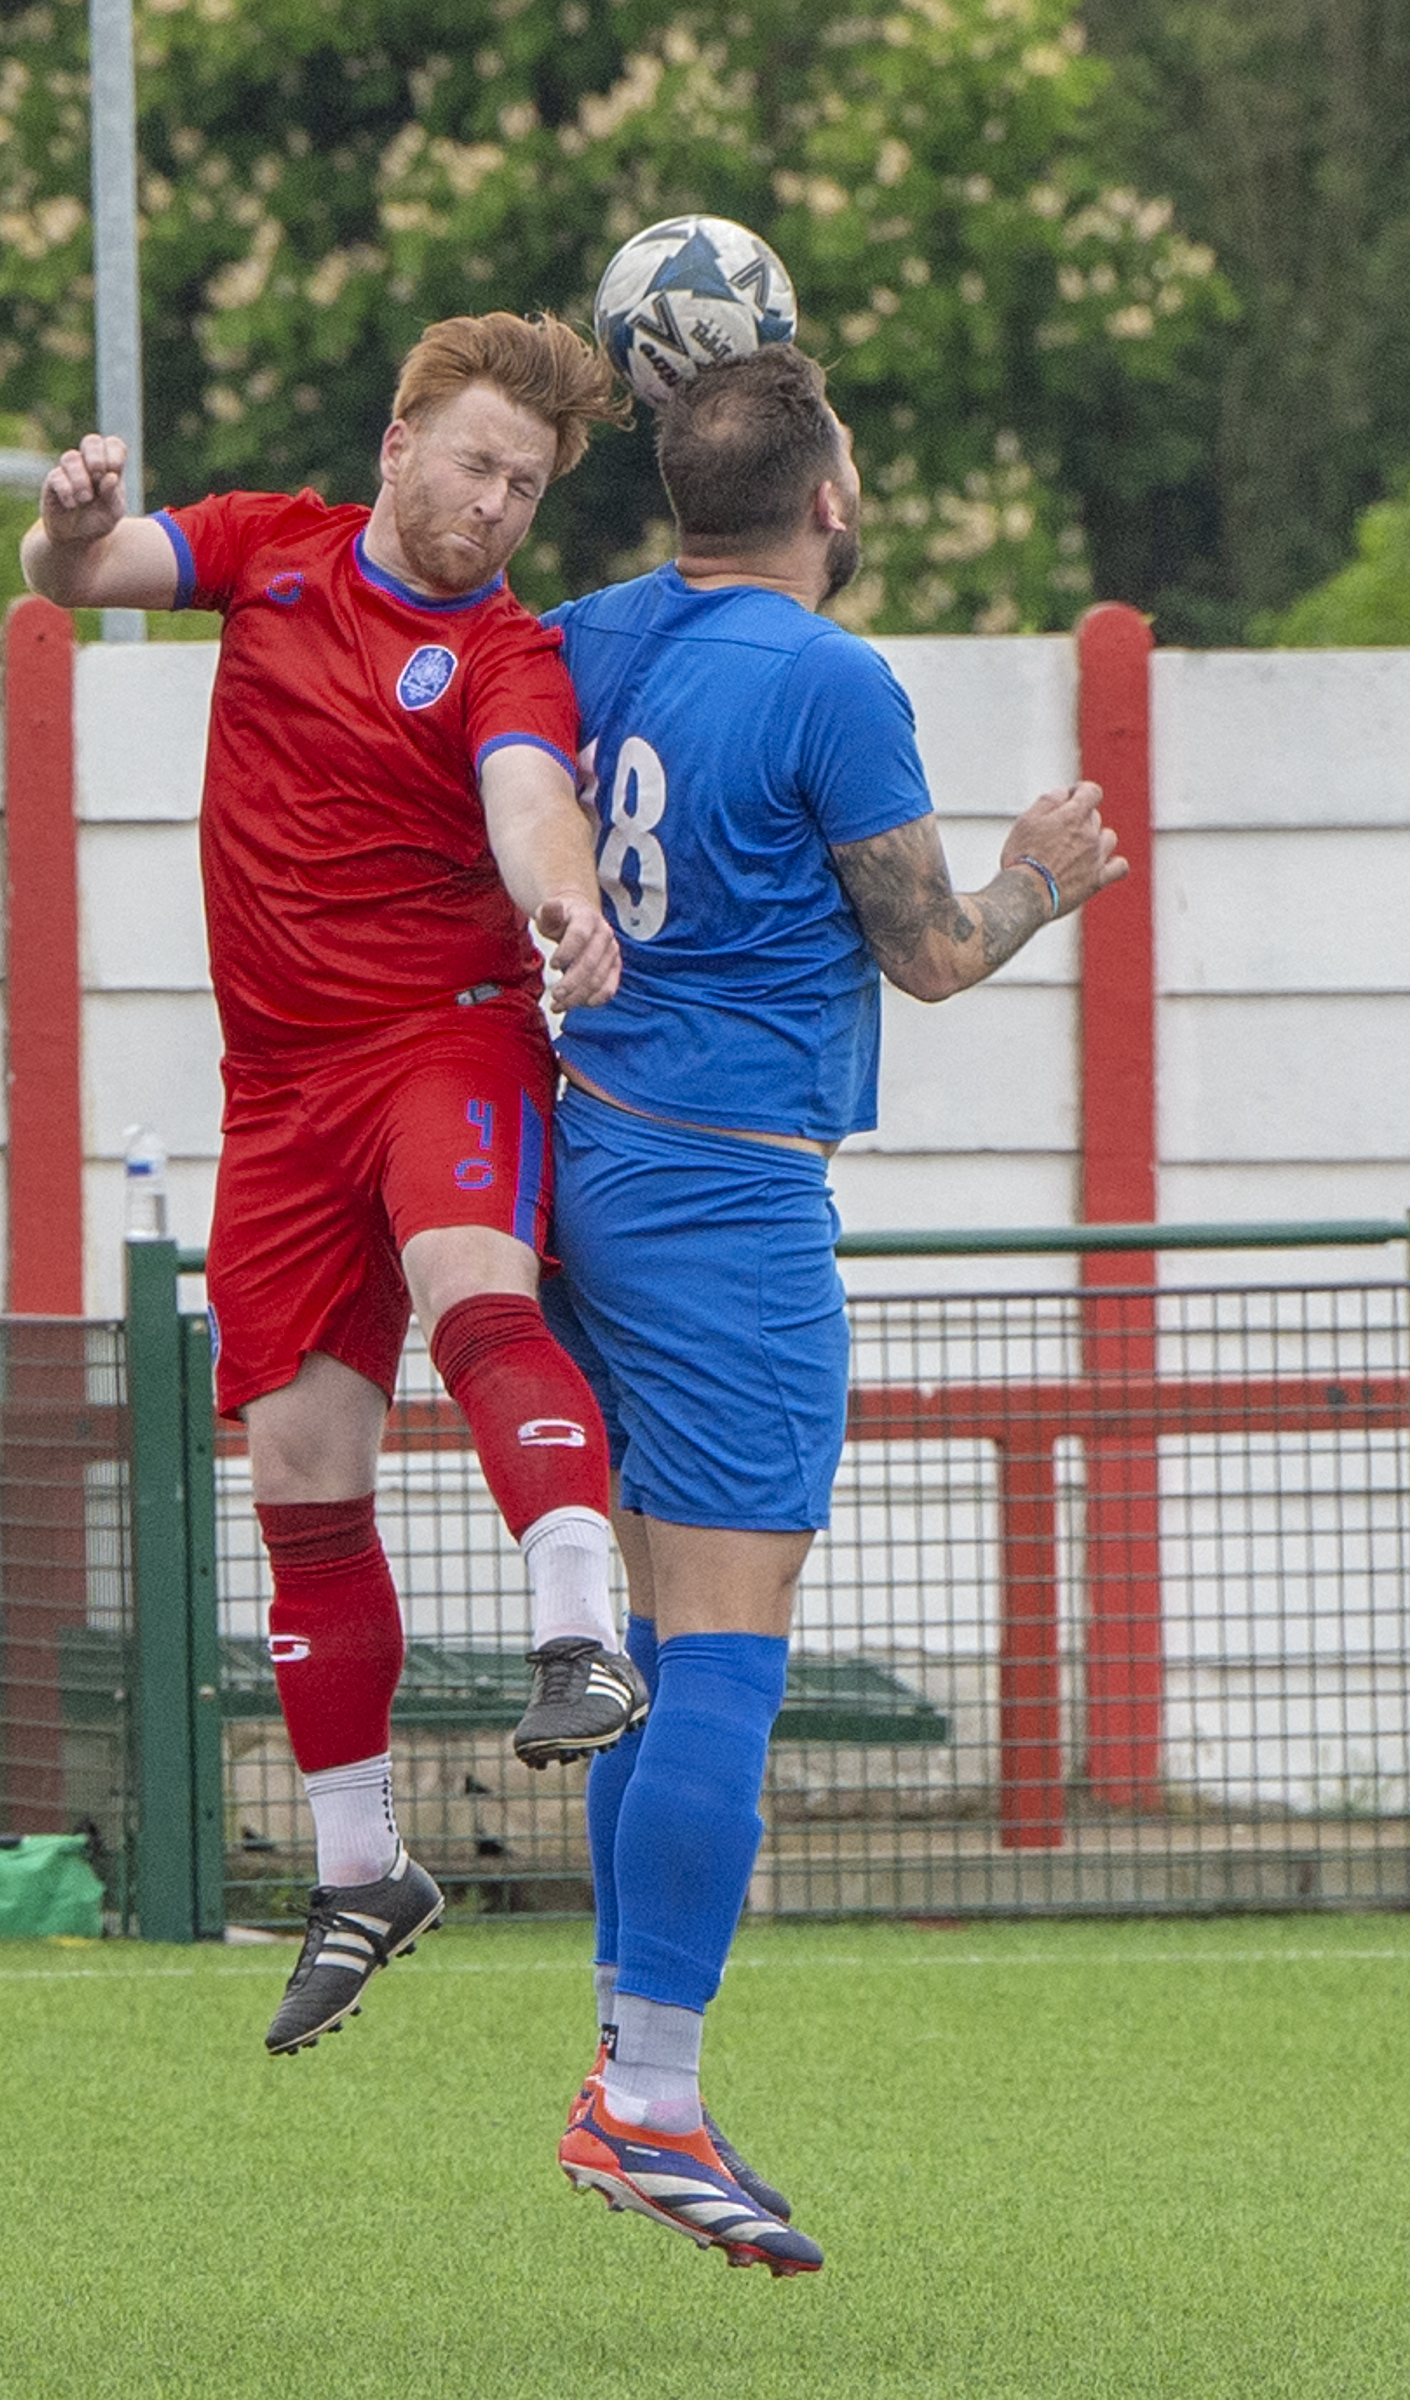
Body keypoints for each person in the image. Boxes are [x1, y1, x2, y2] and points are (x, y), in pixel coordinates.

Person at [540, 343, 1128, 2275]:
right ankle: (647, 2100)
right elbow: (934, 952)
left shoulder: (594, 636)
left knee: (655, 1636)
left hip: (586, 1158)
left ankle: (630, 2067)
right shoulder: (830, 677)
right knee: (727, 1647)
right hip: (724, 1195)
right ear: (826, 501)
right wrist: (1043, 876)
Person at [20, 311, 647, 2056]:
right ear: (397, 443)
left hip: (445, 1041)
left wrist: (563, 902)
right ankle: (364, 1872)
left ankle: (583, 1632)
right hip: (280, 1094)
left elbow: (530, 801)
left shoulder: (509, 651)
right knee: (298, 1464)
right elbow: (82, 577)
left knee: (474, 1291)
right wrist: (69, 527)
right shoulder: (270, 551)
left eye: (527, 487)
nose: (497, 505)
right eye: (478, 465)